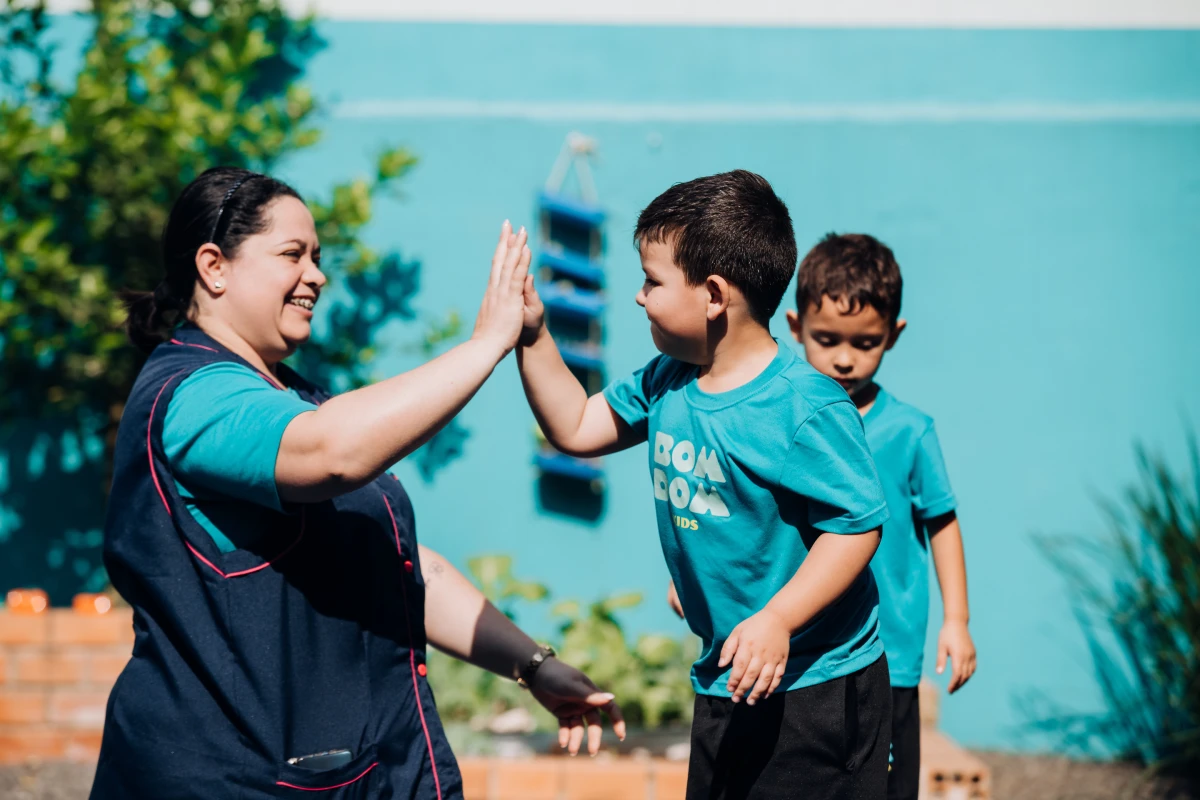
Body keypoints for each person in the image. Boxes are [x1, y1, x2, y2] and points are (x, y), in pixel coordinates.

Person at [92, 167, 624, 799]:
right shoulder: (192, 395)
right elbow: (335, 453)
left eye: (317, 257)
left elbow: (399, 564)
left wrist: (533, 665)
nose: (316, 275)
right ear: (214, 267)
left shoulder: (297, 397)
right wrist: (486, 344)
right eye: (293, 254)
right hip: (231, 779)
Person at [518, 170, 892, 800]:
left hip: (816, 686)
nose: (639, 297)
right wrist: (531, 333)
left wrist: (778, 618)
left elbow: (856, 527)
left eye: (652, 281)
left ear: (714, 295)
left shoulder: (803, 408)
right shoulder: (670, 378)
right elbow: (577, 427)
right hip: (729, 674)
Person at [782, 232, 977, 800]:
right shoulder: (784, 419)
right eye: (826, 339)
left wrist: (957, 619)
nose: (844, 356)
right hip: (806, 653)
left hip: (888, 655)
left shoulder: (911, 431)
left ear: (893, 334)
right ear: (795, 327)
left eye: (865, 342)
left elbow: (942, 523)